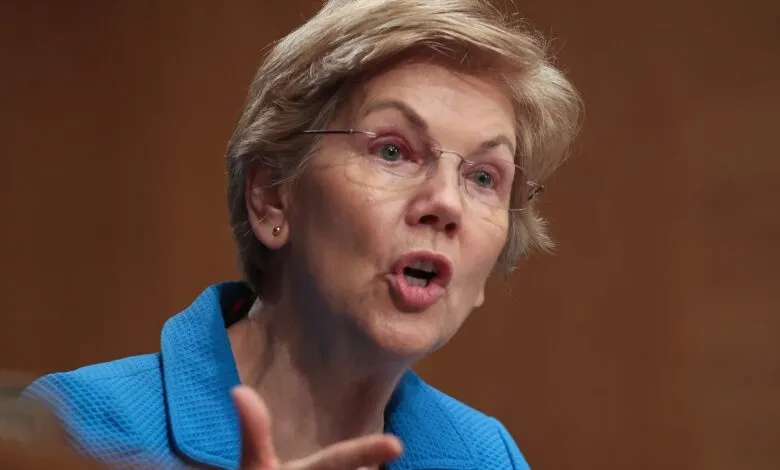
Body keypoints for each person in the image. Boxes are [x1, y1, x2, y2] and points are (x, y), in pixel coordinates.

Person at [24, 0, 582, 468]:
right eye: (392, 150)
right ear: (272, 196)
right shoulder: (79, 428)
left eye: (483, 177)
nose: (445, 204)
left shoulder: (483, 457)